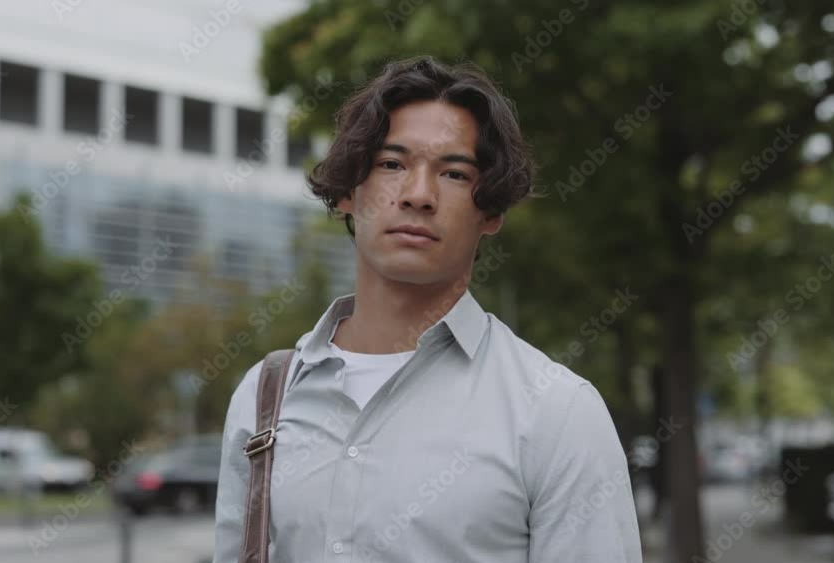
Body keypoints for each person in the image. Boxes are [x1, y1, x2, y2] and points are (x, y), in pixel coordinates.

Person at [213, 56, 642, 562]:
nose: (419, 195)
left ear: (491, 213)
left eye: (455, 173)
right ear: (349, 191)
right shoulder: (265, 398)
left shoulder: (556, 412)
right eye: (392, 165)